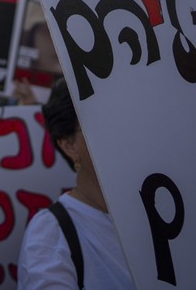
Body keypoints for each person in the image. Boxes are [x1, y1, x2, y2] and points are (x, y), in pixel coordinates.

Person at [17, 79, 134, 289]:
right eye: (103, 120)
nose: (120, 129)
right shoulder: (51, 234)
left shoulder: (164, 208)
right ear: (69, 145)